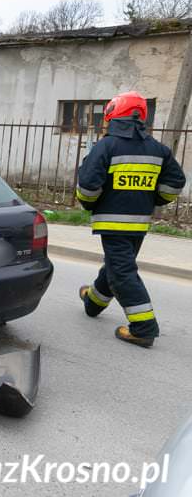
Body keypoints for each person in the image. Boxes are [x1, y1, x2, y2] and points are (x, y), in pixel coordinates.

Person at [76, 91, 186, 348]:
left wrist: (90, 204)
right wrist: (155, 200)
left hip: (112, 224)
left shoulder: (106, 146)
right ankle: (93, 302)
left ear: (113, 115)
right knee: (118, 265)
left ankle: (143, 327)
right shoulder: (158, 149)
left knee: (122, 272)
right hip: (139, 223)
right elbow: (175, 183)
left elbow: (88, 186)